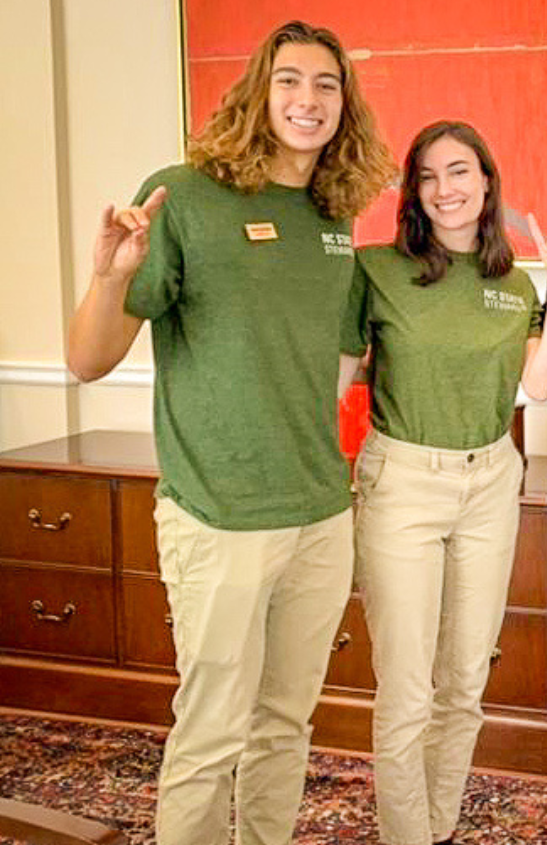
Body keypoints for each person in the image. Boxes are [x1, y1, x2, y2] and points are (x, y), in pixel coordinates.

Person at [63, 21, 394, 845]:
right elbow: (86, 361)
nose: (308, 99)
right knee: (211, 732)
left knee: (286, 725)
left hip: (320, 514)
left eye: (327, 84)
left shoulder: (331, 217)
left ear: (343, 105)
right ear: (258, 90)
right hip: (218, 517)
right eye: (290, 80)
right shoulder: (184, 196)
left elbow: (327, 366)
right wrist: (110, 276)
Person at [341, 120, 547, 845]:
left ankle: (437, 828)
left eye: (459, 172)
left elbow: (537, 386)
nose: (445, 189)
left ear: (486, 182)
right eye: (428, 175)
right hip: (403, 481)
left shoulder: (513, 282)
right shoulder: (376, 269)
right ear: (413, 190)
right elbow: (338, 381)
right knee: (408, 690)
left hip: (489, 485)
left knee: (465, 684)